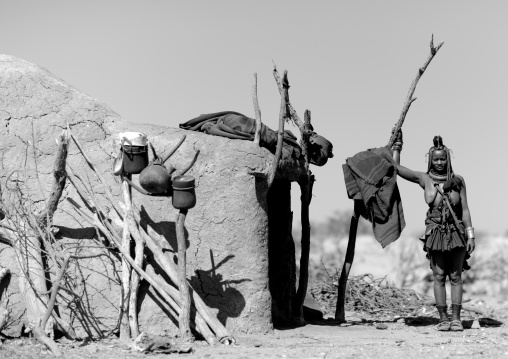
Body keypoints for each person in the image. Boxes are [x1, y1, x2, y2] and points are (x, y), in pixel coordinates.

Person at [392, 132, 475, 331]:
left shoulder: (458, 181)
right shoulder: (424, 178)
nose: (439, 162)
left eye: (442, 158)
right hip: (435, 233)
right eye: (436, 159)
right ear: (431, 160)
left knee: (455, 276)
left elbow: (465, 209)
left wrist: (471, 234)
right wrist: (397, 147)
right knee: (438, 276)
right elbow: (396, 169)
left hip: (457, 233)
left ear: (448, 159)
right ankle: (443, 319)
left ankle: (456, 318)